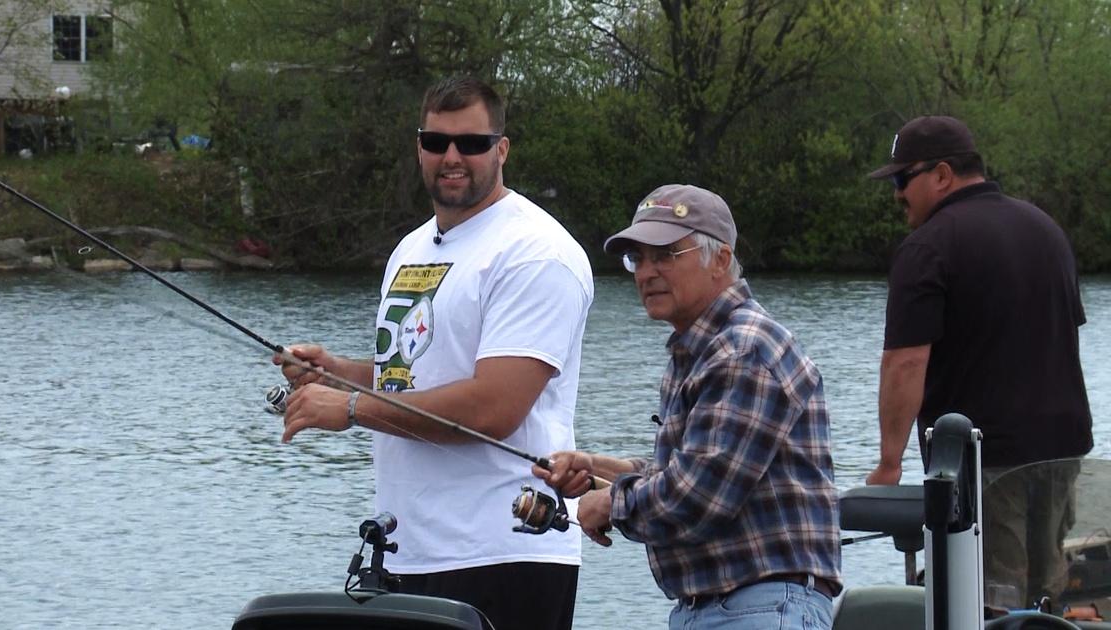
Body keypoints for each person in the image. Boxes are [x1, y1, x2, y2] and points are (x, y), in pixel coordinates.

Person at [275, 76, 593, 630]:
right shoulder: (412, 247)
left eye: (470, 144)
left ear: (502, 149)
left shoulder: (536, 253)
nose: (452, 157)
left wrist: (350, 410)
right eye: (435, 142)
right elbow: (411, 375)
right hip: (408, 551)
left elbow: (493, 408)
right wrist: (338, 375)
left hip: (505, 552)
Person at [535, 184, 841, 630]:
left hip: (759, 607)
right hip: (719, 608)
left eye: (664, 255)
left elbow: (700, 495)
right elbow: (689, 467)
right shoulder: (707, 349)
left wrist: (610, 504)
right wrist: (599, 467)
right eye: (637, 258)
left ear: (720, 259)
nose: (646, 272)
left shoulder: (742, 352)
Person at [864, 115, 1093, 607]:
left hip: (986, 462)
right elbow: (1063, 337)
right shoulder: (1046, 229)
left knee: (990, 601)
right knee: (1047, 597)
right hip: (1064, 450)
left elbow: (904, 364)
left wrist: (887, 466)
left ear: (942, 174)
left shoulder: (926, 247)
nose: (897, 194)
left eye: (903, 180)